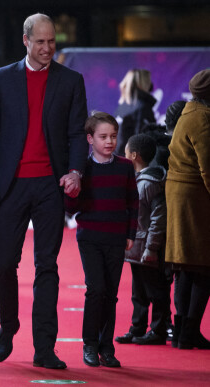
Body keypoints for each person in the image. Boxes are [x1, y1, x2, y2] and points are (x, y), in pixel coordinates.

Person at [0, 13, 87, 368]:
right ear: (25, 40)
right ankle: (8, 326)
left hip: (50, 185)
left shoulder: (71, 80)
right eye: (40, 41)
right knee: (4, 264)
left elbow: (75, 134)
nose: (47, 48)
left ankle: (44, 348)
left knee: (47, 267)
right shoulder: (1, 78)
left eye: (52, 41)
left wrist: (75, 171)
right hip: (10, 184)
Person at [65, 112, 138, 368]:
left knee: (112, 294)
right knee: (96, 290)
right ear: (90, 139)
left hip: (117, 237)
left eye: (114, 136)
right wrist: (71, 188)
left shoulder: (126, 167)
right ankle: (89, 344)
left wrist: (131, 234)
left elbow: (133, 202)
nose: (109, 141)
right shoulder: (82, 169)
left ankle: (107, 347)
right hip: (90, 238)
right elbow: (71, 208)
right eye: (103, 136)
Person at [165, 69, 210, 350]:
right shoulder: (203, 118)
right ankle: (189, 331)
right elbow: (209, 166)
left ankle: (183, 330)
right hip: (195, 196)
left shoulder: (188, 112)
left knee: (185, 266)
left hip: (181, 193)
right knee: (204, 266)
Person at [115, 134, 169, 346]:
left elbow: (158, 219)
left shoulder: (150, 184)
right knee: (138, 292)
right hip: (137, 248)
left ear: (134, 156)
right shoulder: (138, 180)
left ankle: (158, 330)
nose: (124, 154)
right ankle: (137, 328)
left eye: (126, 151)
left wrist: (152, 248)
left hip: (147, 247)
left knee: (156, 290)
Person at [114, 69, 156, 155]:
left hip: (119, 156)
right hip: (133, 160)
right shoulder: (142, 107)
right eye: (148, 81)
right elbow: (143, 139)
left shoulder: (123, 105)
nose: (151, 84)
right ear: (144, 83)